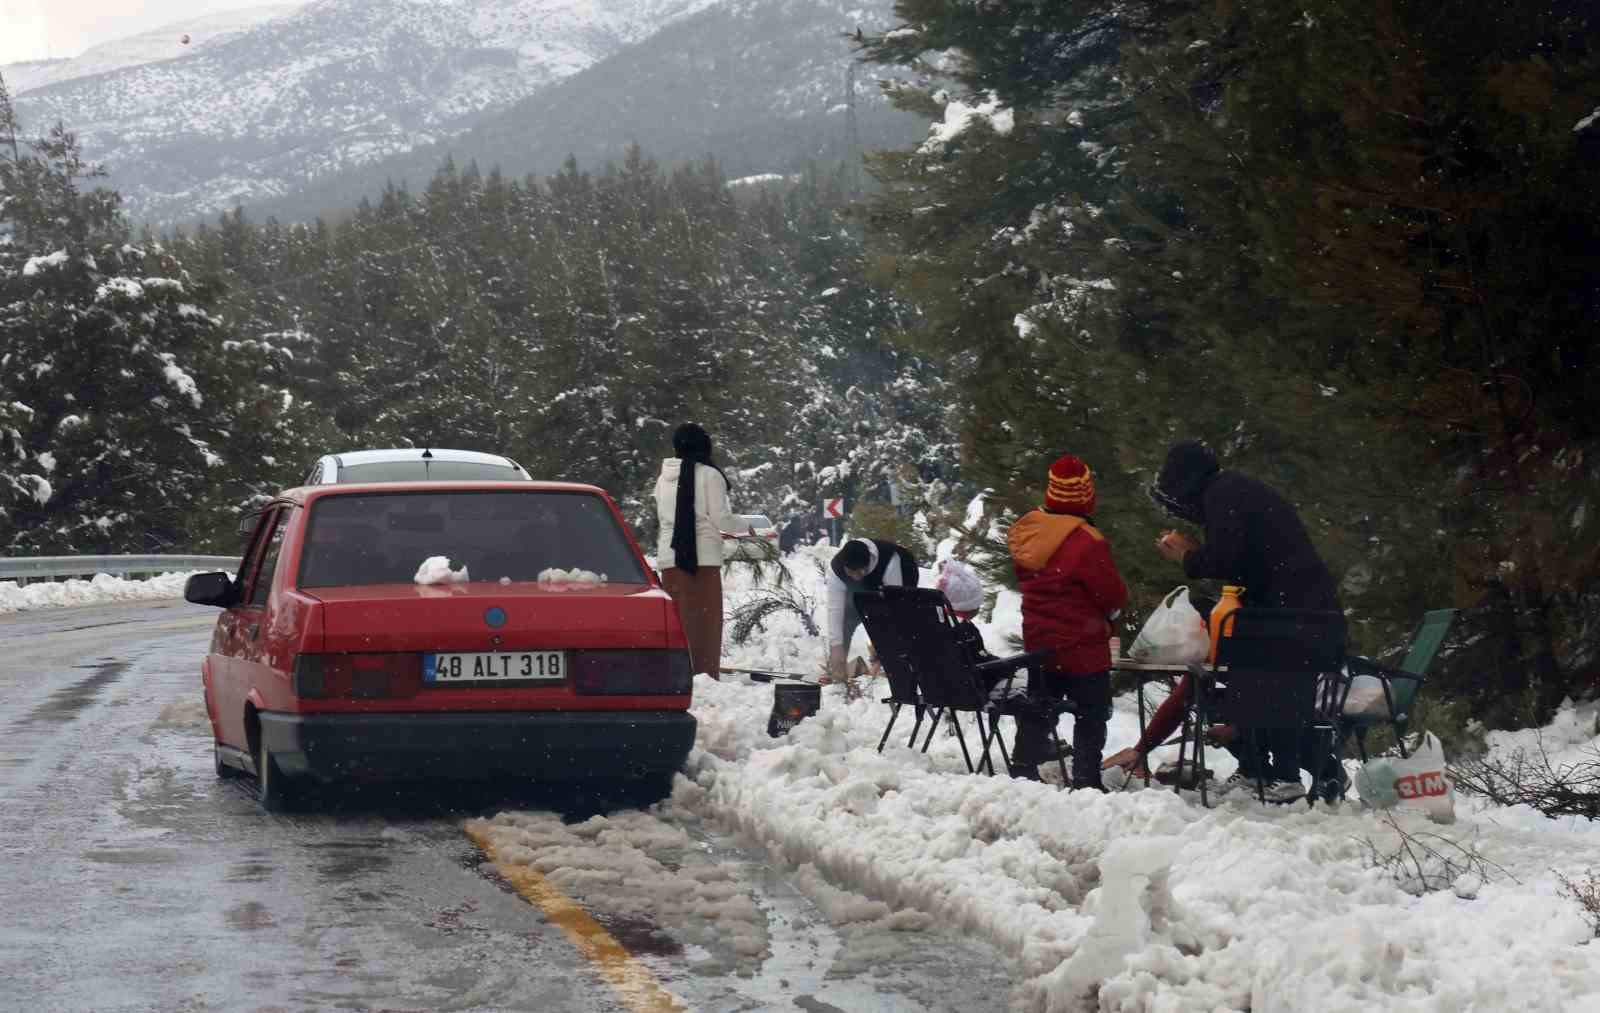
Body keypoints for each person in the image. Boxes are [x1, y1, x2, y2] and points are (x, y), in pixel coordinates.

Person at [1106, 439, 1346, 802]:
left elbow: (1226, 561)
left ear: (1184, 487)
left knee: (1261, 685)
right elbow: (1245, 559)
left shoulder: (1223, 494)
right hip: (1297, 611)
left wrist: (1188, 555)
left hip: (1297, 617)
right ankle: (1262, 770)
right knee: (1241, 682)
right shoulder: (1231, 490)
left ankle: (1283, 775)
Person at [1006, 454, 1128, 789]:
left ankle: (1023, 766)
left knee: (1038, 707)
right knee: (1092, 712)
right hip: (1081, 647)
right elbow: (1112, 594)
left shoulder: (1027, 532)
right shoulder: (1086, 542)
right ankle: (1086, 778)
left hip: (1039, 643)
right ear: (1086, 497)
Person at [653, 422, 751, 678]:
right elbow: (722, 519)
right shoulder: (710, 475)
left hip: (670, 560)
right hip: (702, 562)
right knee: (704, 625)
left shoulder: (663, 478)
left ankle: (676, 674)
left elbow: (663, 519)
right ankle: (704, 674)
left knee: (678, 624)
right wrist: (747, 526)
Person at [824, 536, 919, 682]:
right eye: (851, 573)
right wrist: (837, 649)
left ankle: (900, 667)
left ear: (868, 563)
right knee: (846, 621)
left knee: (894, 622)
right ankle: (837, 671)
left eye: (860, 572)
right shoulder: (836, 569)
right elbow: (835, 610)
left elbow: (895, 609)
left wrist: (882, 653)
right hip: (865, 589)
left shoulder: (890, 562)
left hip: (903, 577)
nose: (856, 577)